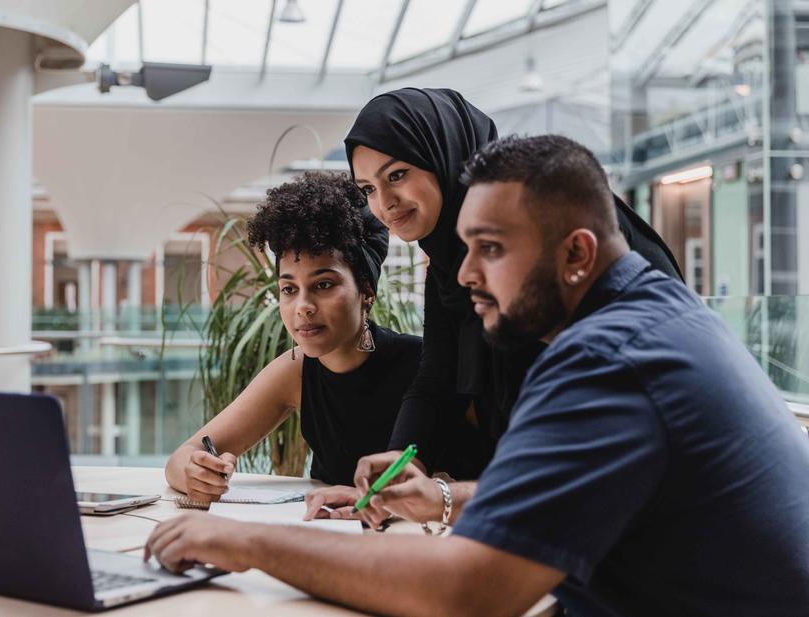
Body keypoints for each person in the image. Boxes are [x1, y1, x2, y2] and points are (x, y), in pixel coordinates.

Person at [145, 135, 809, 617]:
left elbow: (467, 589)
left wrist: (246, 538)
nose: (464, 276)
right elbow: (589, 487)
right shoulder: (658, 317)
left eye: (489, 249)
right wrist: (442, 499)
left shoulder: (608, 356)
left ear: (577, 253)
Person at [322, 88, 681, 515]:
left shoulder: (546, 224)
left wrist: (448, 500)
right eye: (367, 189)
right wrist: (398, 475)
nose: (382, 203)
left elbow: (583, 451)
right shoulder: (449, 260)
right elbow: (439, 376)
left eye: (396, 175)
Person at [164, 172, 422, 501]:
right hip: (330, 537)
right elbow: (181, 458)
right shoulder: (295, 371)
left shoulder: (423, 364)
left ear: (366, 291)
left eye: (324, 284)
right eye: (289, 289)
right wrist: (198, 474)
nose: (303, 307)